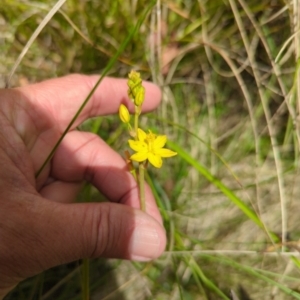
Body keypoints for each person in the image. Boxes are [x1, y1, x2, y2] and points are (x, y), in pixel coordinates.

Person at [0, 74, 167, 298]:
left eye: (150, 141)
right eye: (147, 141)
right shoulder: (139, 145)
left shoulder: (149, 151)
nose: (150, 141)